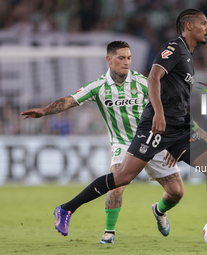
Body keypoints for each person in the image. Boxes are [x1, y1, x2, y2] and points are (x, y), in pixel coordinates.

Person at [47, 9, 207, 246]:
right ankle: (66, 209)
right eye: (203, 23)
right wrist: (158, 113)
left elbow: (176, 99)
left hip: (179, 129)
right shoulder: (174, 48)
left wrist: (191, 126)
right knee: (123, 176)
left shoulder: (188, 54)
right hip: (156, 127)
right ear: (188, 26)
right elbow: (153, 77)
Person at [21, 41, 186, 244]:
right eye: (121, 58)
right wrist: (45, 111)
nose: (126, 62)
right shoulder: (98, 86)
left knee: (177, 192)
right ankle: (109, 232)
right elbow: (70, 100)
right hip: (123, 143)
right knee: (117, 183)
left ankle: (159, 211)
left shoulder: (142, 82)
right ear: (109, 59)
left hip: (153, 140)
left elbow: (168, 105)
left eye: (129, 58)